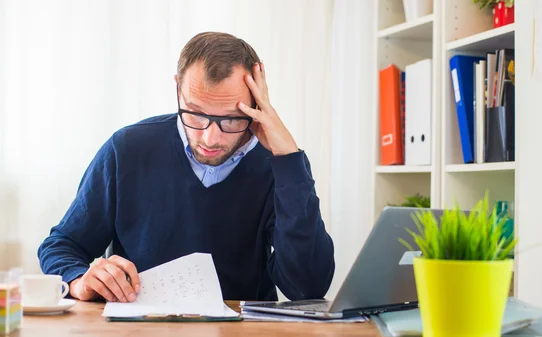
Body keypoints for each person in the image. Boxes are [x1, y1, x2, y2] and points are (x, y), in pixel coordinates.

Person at [37, 32, 335, 303]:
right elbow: (62, 245)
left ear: (257, 103)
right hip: (138, 328)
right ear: (178, 88)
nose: (210, 137)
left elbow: (307, 288)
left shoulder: (279, 166)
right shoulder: (127, 149)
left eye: (232, 119)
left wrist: (289, 161)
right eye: (195, 114)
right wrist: (78, 281)